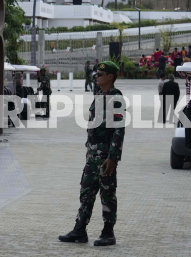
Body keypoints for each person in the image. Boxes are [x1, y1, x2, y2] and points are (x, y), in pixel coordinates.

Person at [59, 61, 125, 246]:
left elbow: (119, 129)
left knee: (107, 193)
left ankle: (108, 232)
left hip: (106, 156)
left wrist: (113, 157)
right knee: (86, 192)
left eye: (100, 74)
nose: (96, 76)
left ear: (110, 77)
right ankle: (80, 230)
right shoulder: (98, 95)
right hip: (93, 154)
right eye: (96, 74)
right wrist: (89, 151)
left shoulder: (115, 97)